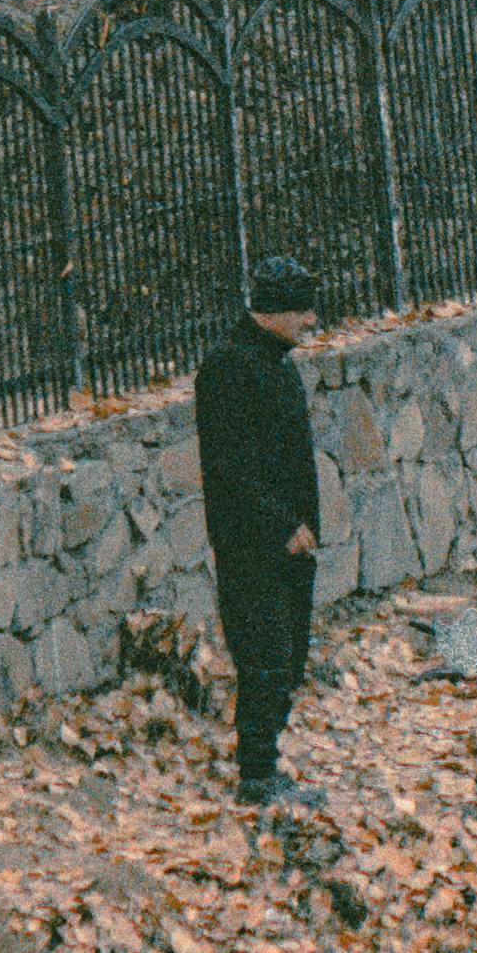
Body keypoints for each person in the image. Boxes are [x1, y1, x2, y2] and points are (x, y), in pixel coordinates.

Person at [192, 254, 324, 804]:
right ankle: (256, 774)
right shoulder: (228, 367)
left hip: (291, 541)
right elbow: (231, 467)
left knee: (287, 654)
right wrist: (282, 524)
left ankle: (266, 762)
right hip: (254, 543)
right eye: (302, 311)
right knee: (263, 652)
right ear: (274, 312)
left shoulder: (274, 359)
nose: (311, 321)